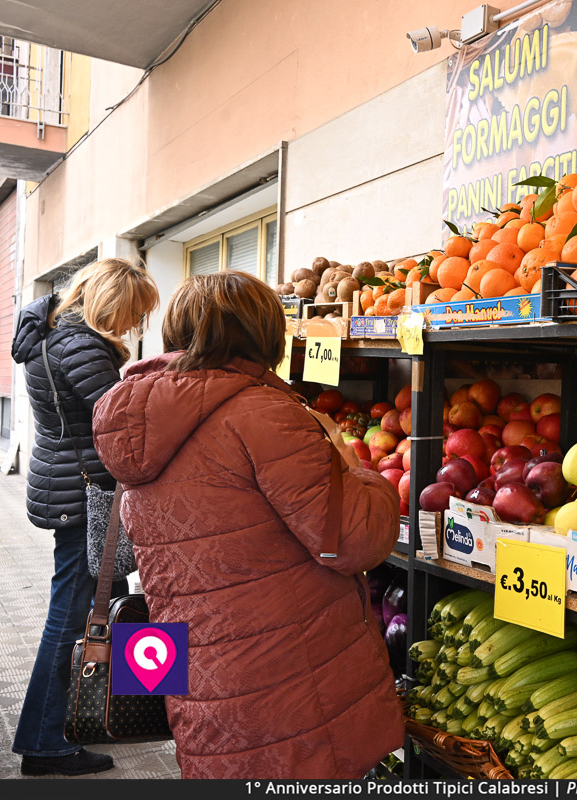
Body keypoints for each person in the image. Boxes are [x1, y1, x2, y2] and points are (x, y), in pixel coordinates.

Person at [91, 271, 402, 779]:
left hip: (194, 673)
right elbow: (352, 541)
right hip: (288, 684)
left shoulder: (136, 418)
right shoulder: (264, 415)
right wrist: (355, 468)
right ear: (262, 335)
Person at [10, 258, 159, 775]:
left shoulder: (51, 334)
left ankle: (105, 715)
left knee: (96, 611)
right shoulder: (84, 346)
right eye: (133, 313)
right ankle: (46, 740)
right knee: (73, 619)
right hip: (89, 500)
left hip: (71, 491)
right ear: (111, 302)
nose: (133, 326)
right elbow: (121, 427)